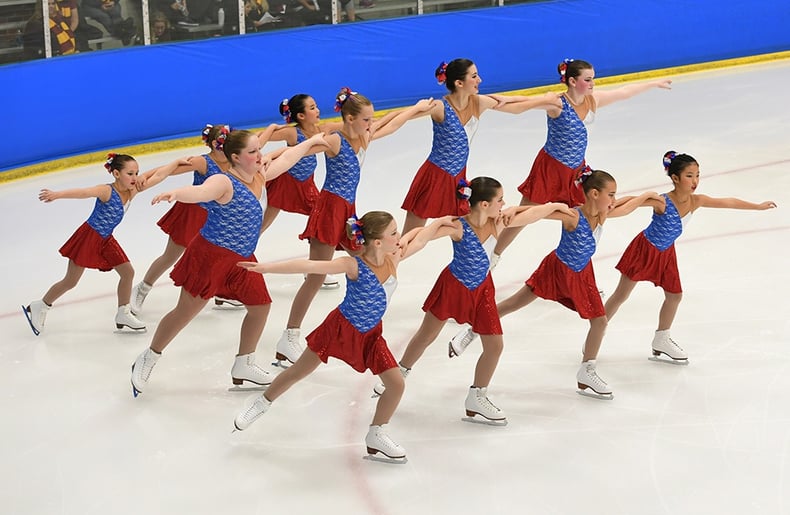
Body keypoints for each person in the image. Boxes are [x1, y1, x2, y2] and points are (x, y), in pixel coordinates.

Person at [232, 211, 454, 463]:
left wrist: (437, 223)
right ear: (377, 242)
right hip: (339, 329)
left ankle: (376, 434)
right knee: (298, 371)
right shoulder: (353, 264)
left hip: (371, 335)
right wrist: (266, 269)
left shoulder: (394, 258)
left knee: (396, 384)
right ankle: (261, 402)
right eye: (393, 233)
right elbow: (310, 265)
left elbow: (421, 239)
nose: (399, 236)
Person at [129, 129, 327, 397]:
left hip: (242, 257)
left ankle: (243, 363)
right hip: (211, 257)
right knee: (184, 312)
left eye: (259, 149)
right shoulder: (224, 181)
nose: (260, 156)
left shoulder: (259, 175)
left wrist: (312, 142)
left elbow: (287, 159)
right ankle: (149, 357)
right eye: (253, 152)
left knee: (260, 306)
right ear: (235, 157)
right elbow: (201, 191)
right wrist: (176, 193)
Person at [450, 170, 663, 399]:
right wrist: (514, 211)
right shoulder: (572, 216)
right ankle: (473, 329)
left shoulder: (603, 214)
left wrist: (647, 196)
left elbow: (628, 205)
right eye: (610, 195)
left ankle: (586, 371)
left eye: (614, 195)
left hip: (581, 274)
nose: (614, 200)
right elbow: (542, 212)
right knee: (515, 302)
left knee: (599, 322)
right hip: (557, 269)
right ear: (593, 194)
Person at [379, 177, 573, 424]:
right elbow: (419, 239)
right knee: (426, 335)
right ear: (483, 204)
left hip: (482, 291)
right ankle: (401, 372)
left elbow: (533, 214)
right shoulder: (458, 226)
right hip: (453, 287)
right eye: (499, 199)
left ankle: (477, 396)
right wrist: (393, 258)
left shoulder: (500, 221)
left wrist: (557, 206)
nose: (504, 203)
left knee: (495, 345)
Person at [271, 88, 435, 369]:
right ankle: (289, 337)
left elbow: (392, 123)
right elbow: (296, 153)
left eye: (371, 120)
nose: (371, 124)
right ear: (348, 118)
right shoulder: (335, 140)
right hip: (329, 211)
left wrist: (416, 107)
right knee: (315, 277)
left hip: (348, 212)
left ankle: (361, 320)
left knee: (366, 260)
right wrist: (267, 170)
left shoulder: (365, 137)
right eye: (366, 120)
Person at [491, 58, 673, 264]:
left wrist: (652, 83)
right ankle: (493, 256)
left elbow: (623, 92)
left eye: (593, 79)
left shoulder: (592, 100)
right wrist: (494, 101)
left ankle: (575, 267)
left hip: (578, 172)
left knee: (585, 218)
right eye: (587, 79)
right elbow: (522, 103)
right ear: (572, 81)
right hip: (550, 169)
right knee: (523, 217)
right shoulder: (558, 104)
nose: (592, 83)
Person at [604, 151, 777, 364]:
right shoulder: (663, 202)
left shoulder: (697, 201)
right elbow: (633, 202)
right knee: (621, 295)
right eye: (689, 175)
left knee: (675, 295)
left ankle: (661, 339)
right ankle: (597, 331)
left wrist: (757, 206)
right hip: (645, 250)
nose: (695, 181)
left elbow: (728, 202)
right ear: (675, 178)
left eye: (697, 175)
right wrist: (605, 209)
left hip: (666, 253)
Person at [400, 58, 562, 235]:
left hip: (457, 177)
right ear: (459, 83)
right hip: (434, 176)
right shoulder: (440, 107)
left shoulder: (478, 102)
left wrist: (544, 100)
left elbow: (515, 106)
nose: (480, 80)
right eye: (474, 76)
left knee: (466, 229)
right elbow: (404, 117)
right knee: (410, 236)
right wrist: (373, 125)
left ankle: (481, 259)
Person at [22, 153, 145, 335]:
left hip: (106, 239)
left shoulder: (132, 191)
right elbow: (83, 192)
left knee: (128, 272)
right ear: (117, 174)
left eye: (137, 173)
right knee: (71, 281)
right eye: (130, 173)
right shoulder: (107, 191)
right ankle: (41, 305)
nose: (135, 178)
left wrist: (175, 164)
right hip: (89, 237)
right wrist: (57, 195)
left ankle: (123, 312)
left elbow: (155, 176)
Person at [130, 124, 232, 314]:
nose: (225, 148)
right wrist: (144, 176)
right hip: (192, 214)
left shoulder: (235, 160)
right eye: (221, 144)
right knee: (171, 256)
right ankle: (142, 288)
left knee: (219, 257)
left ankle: (221, 292)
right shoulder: (202, 162)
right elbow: (169, 170)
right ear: (212, 144)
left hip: (217, 216)